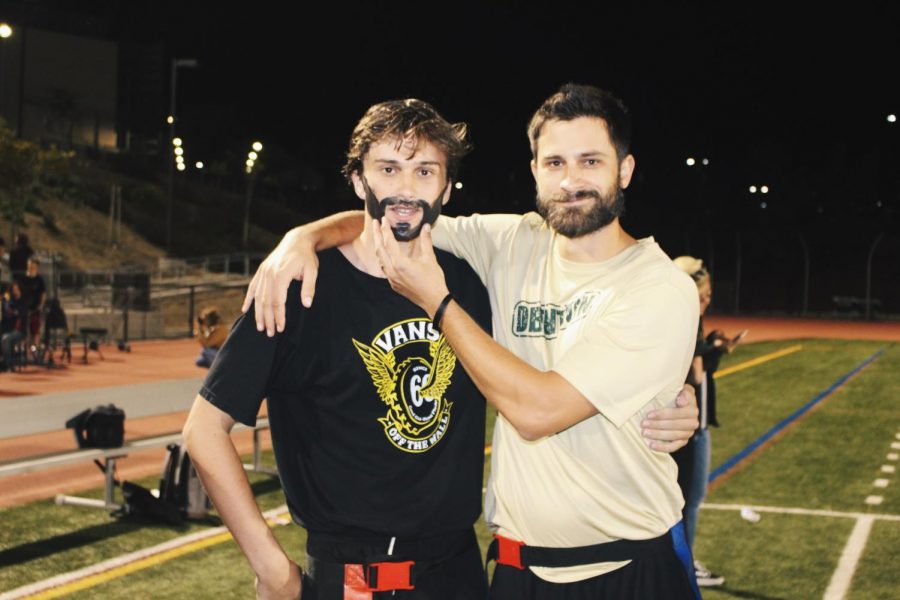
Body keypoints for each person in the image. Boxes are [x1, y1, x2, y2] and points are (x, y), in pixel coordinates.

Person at [245, 84, 702, 599]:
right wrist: (302, 237)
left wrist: (439, 305)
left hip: (628, 569)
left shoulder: (658, 286)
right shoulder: (514, 242)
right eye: (554, 162)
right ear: (535, 171)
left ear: (625, 169)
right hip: (514, 571)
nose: (571, 180)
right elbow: (397, 214)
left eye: (590, 161)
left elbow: (536, 412)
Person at [672, 256, 745, 588]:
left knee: (691, 499)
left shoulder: (694, 326)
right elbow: (692, 373)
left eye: (709, 294)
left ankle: (682, 561)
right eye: (701, 295)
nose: (707, 301)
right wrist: (706, 347)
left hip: (697, 430)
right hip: (684, 433)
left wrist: (714, 347)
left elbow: (703, 375)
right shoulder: (676, 325)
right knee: (686, 501)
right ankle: (682, 565)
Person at [20, 257, 47, 352]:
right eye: (29, 266)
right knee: (23, 330)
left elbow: (43, 294)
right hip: (24, 309)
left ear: (37, 268)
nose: (31, 268)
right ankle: (24, 349)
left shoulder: (39, 280)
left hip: (35, 309)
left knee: (35, 330)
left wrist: (40, 305)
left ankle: (34, 350)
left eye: (33, 267)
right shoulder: (23, 279)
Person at [1, 282, 28, 371]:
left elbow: (19, 314)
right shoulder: (11, 301)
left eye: (17, 289)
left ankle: (8, 364)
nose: (15, 292)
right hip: (8, 329)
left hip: (20, 331)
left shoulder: (23, 301)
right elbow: (6, 314)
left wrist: (12, 312)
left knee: (5, 339)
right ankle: (3, 362)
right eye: (13, 290)